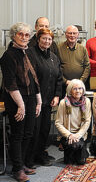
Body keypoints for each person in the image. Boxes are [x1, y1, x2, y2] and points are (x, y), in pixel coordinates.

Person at [0, 22, 41, 181]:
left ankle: (22, 163)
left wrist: (38, 100)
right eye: (21, 34)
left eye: (27, 35)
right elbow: (10, 84)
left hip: (30, 97)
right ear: (14, 36)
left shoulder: (28, 52)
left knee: (28, 133)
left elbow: (34, 78)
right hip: (16, 100)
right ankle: (17, 169)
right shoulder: (8, 55)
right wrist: (21, 106)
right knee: (18, 134)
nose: (24, 37)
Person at [26, 28, 63, 168]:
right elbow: (30, 77)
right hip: (34, 100)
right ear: (38, 38)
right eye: (44, 38)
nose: (47, 41)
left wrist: (57, 95)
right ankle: (28, 159)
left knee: (44, 129)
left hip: (48, 101)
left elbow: (59, 78)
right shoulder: (30, 54)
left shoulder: (53, 57)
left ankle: (40, 154)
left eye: (49, 39)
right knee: (33, 130)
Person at [55, 79, 91, 164]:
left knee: (81, 162)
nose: (78, 91)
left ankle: (82, 152)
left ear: (83, 90)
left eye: (80, 88)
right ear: (70, 90)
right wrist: (69, 135)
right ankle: (75, 151)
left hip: (80, 134)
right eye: (75, 89)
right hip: (67, 135)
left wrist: (78, 135)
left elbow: (87, 121)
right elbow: (58, 123)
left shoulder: (87, 102)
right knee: (69, 161)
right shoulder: (63, 103)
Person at [57, 25, 90, 94]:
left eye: (74, 33)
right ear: (66, 34)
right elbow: (56, 68)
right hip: (64, 86)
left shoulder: (83, 49)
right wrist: (65, 81)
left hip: (80, 87)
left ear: (78, 35)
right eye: (70, 33)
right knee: (65, 104)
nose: (72, 35)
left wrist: (80, 81)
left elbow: (87, 66)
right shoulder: (58, 48)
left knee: (78, 104)